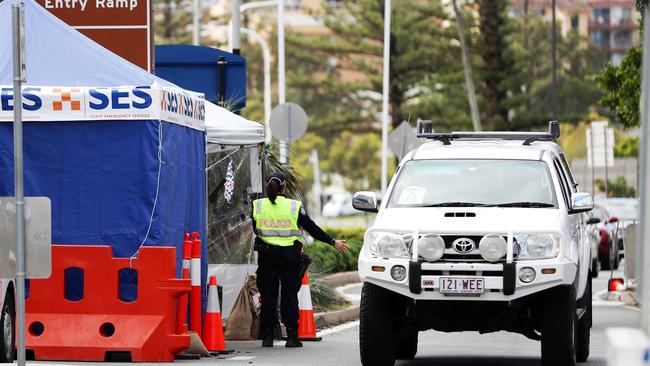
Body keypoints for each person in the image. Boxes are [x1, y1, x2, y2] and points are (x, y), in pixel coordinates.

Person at [252, 172, 349, 348]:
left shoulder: (257, 206)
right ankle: (292, 336)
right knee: (289, 296)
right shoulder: (293, 206)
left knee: (268, 297)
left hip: (267, 257)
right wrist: (332, 242)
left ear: (268, 185)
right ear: (284, 187)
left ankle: (267, 337)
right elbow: (311, 228)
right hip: (289, 257)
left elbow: (255, 230)